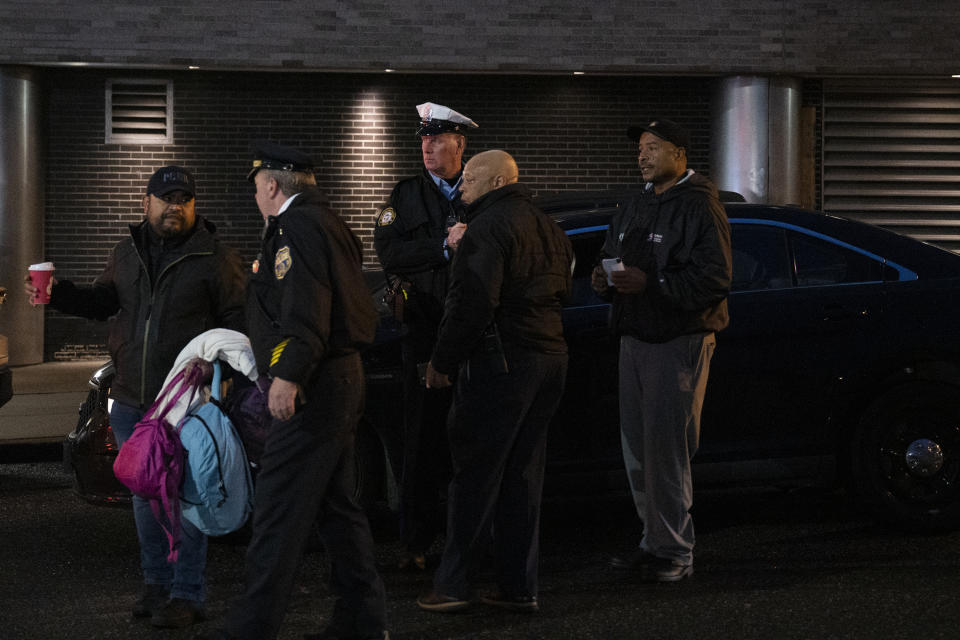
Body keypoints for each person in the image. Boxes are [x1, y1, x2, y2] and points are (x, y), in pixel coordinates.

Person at [24, 165, 246, 627]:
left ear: (193, 206)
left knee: (186, 498)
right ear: (146, 203)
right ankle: (155, 585)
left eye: (184, 199)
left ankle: (187, 594)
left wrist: (217, 371)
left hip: (184, 402)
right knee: (146, 497)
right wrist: (58, 294)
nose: (175, 207)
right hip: (130, 399)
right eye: (167, 199)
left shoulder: (215, 257)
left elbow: (238, 323)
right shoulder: (126, 253)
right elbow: (105, 302)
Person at [214, 142, 388, 640]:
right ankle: (362, 620)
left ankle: (251, 628)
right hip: (338, 378)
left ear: (271, 185)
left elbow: (306, 307)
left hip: (313, 383)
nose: (254, 195)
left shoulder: (296, 228)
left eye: (255, 186)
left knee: (278, 510)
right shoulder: (326, 221)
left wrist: (287, 374)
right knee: (336, 509)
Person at [416, 150, 573, 613]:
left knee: (476, 475)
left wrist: (441, 361)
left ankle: (453, 584)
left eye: (470, 179)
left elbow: (472, 302)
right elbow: (563, 288)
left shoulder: (488, 227)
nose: (461, 186)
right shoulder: (548, 225)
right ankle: (517, 586)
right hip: (550, 359)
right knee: (523, 476)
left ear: (497, 181)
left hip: (501, 362)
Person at [591, 118, 732, 582]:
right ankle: (654, 542)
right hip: (634, 337)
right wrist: (604, 279)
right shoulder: (636, 204)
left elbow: (714, 279)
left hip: (676, 341)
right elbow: (613, 252)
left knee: (667, 452)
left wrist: (652, 284)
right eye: (640, 149)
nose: (643, 155)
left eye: (653, 147)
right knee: (639, 451)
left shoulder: (700, 206)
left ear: (680, 153)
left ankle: (674, 552)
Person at [373, 101, 478, 571]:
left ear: (460, 144)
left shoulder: (480, 191)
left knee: (472, 442)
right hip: (424, 330)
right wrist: (441, 245)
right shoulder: (407, 194)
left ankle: (471, 542)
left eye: (438, 139)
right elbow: (390, 253)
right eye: (423, 139)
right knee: (421, 439)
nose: (428, 147)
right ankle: (416, 543)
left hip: (476, 332)